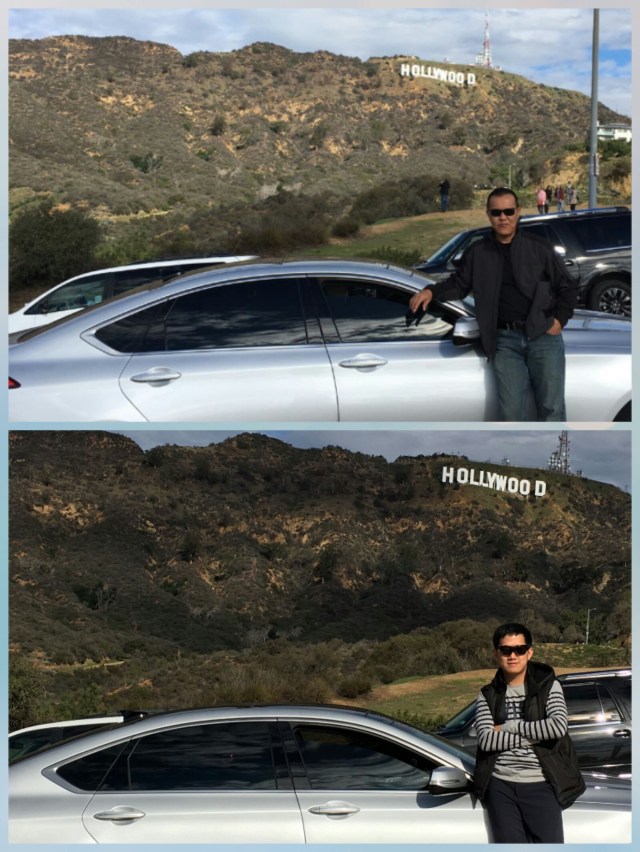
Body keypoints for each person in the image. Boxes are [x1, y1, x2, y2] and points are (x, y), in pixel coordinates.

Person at [408, 187, 578, 421]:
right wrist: (431, 291)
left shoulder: (538, 248)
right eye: (496, 212)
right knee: (511, 414)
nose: (503, 217)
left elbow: (568, 287)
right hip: (504, 342)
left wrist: (558, 321)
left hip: (543, 337)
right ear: (488, 214)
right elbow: (459, 284)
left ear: (518, 212)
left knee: (552, 410)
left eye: (509, 211)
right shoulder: (478, 252)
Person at [472, 623, 585, 843]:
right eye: (506, 650)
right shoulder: (487, 694)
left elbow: (557, 727)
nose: (513, 655)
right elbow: (486, 740)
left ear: (529, 652)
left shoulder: (549, 686)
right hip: (500, 785)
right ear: (496, 653)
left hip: (541, 782)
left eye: (520, 649)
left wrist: (509, 726)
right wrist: (536, 734)